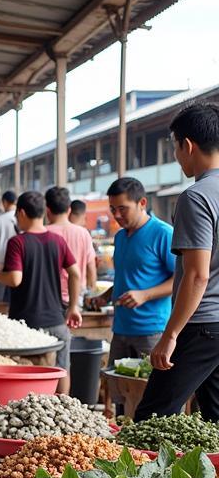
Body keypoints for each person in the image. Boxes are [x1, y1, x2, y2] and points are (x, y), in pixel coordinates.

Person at [136, 104, 219, 420]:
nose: (175, 154)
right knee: (214, 418)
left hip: (201, 325)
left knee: (151, 418)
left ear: (187, 145)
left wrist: (170, 335)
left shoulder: (197, 197)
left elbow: (197, 276)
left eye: (174, 146)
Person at [0, 191, 81, 393]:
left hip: (26, 324)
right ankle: (63, 413)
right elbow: (75, 274)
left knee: (26, 375)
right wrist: (73, 307)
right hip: (56, 319)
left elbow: (14, 279)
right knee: (61, 370)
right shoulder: (57, 241)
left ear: (22, 212)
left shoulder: (18, 242)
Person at [86, 177, 175, 365]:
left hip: (153, 331)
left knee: (151, 391)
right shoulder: (119, 237)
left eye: (122, 209)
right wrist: (106, 295)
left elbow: (183, 280)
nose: (116, 215)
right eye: (112, 209)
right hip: (120, 329)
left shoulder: (163, 234)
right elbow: (125, 278)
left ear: (142, 203)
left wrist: (145, 295)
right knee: (118, 390)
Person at [45, 186, 97, 307]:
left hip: (48, 297)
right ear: (69, 210)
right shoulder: (83, 233)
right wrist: (91, 293)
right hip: (76, 297)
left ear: (47, 210)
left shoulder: (43, 234)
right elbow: (91, 266)